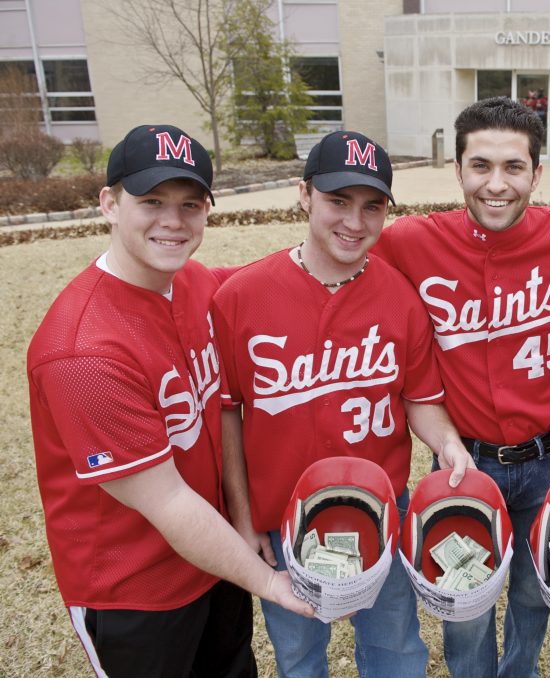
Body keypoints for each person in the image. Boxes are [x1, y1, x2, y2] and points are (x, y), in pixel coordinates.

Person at [27, 124, 313, 678]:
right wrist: (269, 584)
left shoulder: (192, 282)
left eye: (190, 204)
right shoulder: (82, 351)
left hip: (214, 560)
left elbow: (261, 283)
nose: (173, 221)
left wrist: (333, 248)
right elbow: (167, 501)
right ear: (109, 203)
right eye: (152, 201)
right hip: (134, 591)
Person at [372, 96, 550, 678]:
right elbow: (332, 258)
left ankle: (520, 672)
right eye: (480, 166)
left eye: (513, 167)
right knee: (465, 606)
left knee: (536, 594)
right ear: (457, 170)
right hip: (463, 460)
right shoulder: (411, 242)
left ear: (537, 173)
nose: (496, 184)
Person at [211, 130, 473, 678]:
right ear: (304, 195)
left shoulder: (401, 297)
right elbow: (228, 412)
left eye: (372, 206)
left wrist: (447, 443)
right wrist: (243, 516)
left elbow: (420, 399)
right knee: (300, 656)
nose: (355, 222)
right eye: (337, 201)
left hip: (381, 512)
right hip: (283, 518)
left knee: (395, 650)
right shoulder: (240, 296)